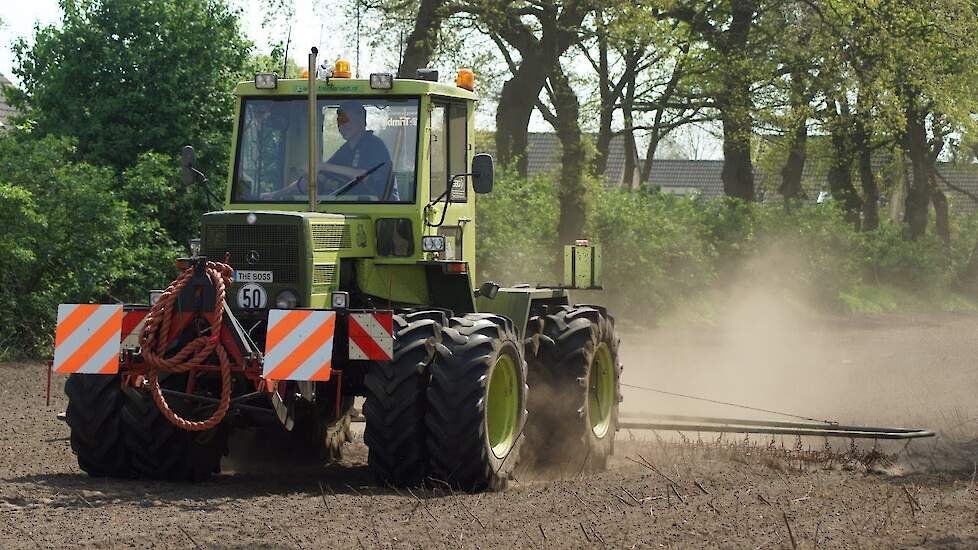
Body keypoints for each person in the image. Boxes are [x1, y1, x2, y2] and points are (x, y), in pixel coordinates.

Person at [264, 101, 397, 200]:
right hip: (354, 206)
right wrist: (275, 194)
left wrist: (323, 166)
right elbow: (321, 174)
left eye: (346, 120)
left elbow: (364, 175)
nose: (341, 126)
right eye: (339, 121)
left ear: (362, 121)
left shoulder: (374, 145)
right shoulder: (346, 150)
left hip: (384, 213)